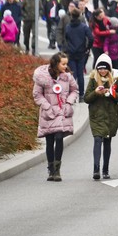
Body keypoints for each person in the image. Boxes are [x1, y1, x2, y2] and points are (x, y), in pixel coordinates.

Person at [33, 52, 79, 182]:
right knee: (49, 140)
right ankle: (51, 169)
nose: (65, 66)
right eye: (63, 64)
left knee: (59, 137)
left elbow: (74, 90)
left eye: (66, 63)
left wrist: (69, 102)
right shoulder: (43, 77)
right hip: (49, 113)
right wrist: (47, 106)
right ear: (55, 63)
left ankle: (57, 169)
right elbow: (37, 95)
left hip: (62, 112)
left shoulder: (67, 77)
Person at [84, 54, 118, 180]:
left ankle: (105, 169)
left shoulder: (116, 80)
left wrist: (112, 93)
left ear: (109, 69)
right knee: (97, 140)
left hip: (110, 116)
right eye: (100, 68)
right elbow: (86, 98)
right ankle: (96, 169)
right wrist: (96, 92)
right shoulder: (93, 80)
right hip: (97, 116)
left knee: (107, 142)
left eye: (105, 68)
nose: (102, 71)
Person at [64, 8, 93, 92]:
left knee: (73, 74)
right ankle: (81, 94)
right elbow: (91, 38)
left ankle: (72, 93)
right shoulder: (83, 27)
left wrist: (67, 47)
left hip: (71, 52)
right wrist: (87, 48)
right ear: (80, 16)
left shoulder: (68, 27)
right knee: (80, 74)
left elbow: (65, 37)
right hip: (81, 52)